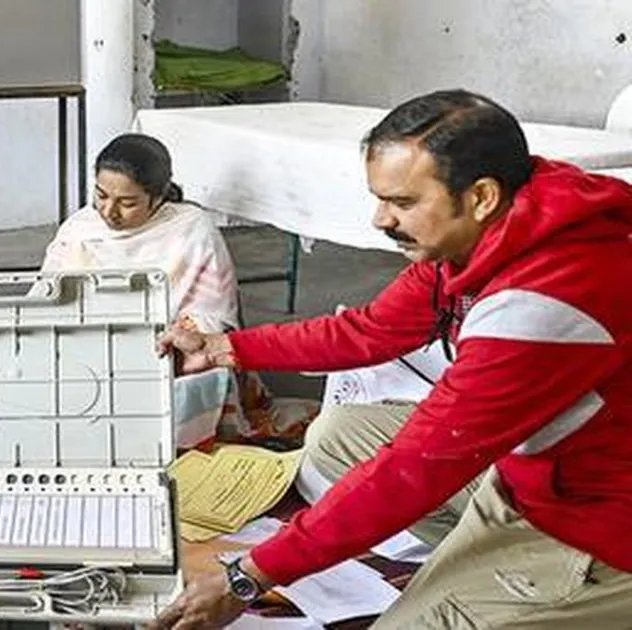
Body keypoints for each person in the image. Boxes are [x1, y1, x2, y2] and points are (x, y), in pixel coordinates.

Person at [151, 89, 632, 629]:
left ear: (481, 197)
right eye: (380, 198)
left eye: (402, 203)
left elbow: (415, 468)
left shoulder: (546, 301)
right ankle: (490, 582)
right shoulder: (490, 232)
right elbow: (373, 329)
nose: (381, 219)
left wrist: (250, 575)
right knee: (337, 435)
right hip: (536, 468)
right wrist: (224, 348)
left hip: (597, 521)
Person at [42, 133, 310, 448]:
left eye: (127, 203)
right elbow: (47, 299)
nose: (109, 211)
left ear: (158, 197)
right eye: (101, 195)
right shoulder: (78, 229)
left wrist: (168, 341)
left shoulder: (190, 228)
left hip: (168, 346)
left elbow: (212, 312)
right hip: (89, 344)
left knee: (198, 362)